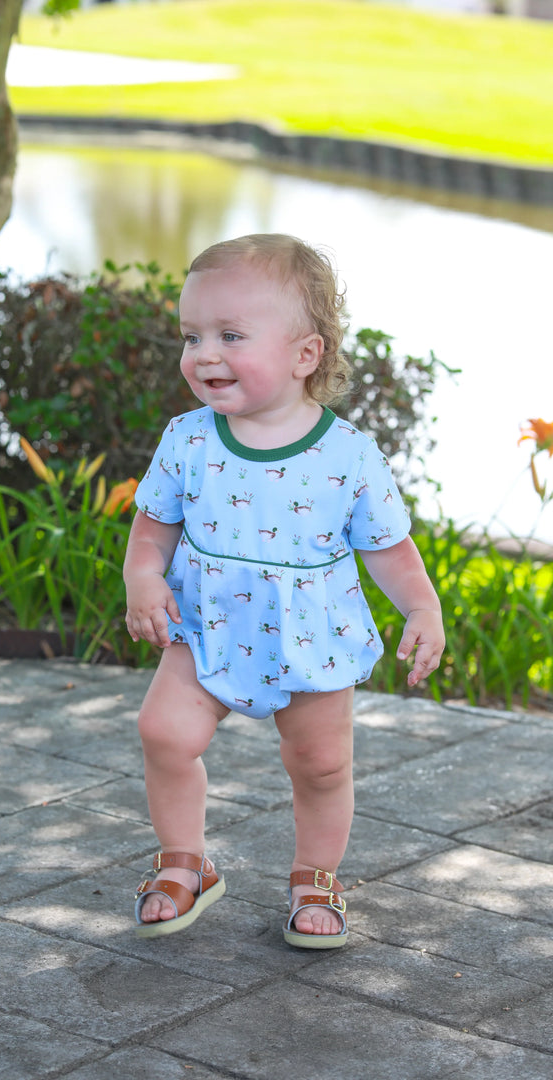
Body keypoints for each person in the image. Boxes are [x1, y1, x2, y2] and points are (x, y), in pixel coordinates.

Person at [123, 233, 445, 948]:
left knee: (321, 764)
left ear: (306, 355)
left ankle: (315, 874)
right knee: (163, 732)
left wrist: (421, 606)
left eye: (231, 335)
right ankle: (186, 862)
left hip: (312, 636)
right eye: (192, 335)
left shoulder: (348, 455)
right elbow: (152, 529)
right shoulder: (188, 440)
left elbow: (388, 550)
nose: (204, 354)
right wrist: (144, 577)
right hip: (205, 625)